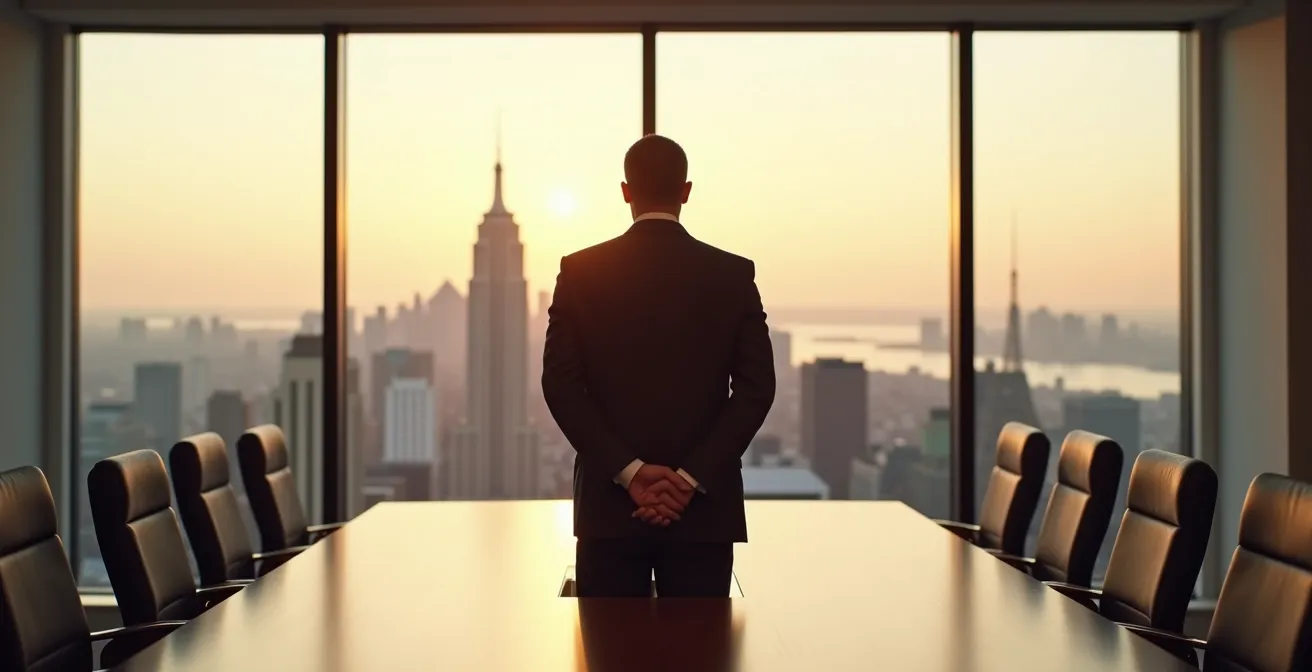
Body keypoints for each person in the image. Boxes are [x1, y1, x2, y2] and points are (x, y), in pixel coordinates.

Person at [542, 134, 776, 598]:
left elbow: (561, 386)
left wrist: (628, 472)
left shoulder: (580, 271)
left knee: (608, 655)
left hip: (609, 511)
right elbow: (756, 389)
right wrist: (689, 480)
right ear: (686, 191)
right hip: (703, 515)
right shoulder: (733, 274)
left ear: (626, 191)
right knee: (702, 654)